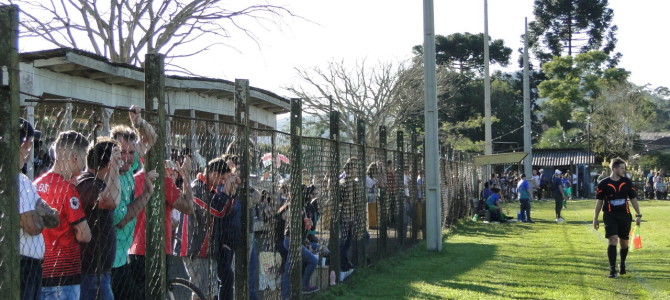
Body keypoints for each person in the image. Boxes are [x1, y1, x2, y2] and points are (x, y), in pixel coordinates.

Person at [33, 131, 92, 299]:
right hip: (65, 274)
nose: (84, 166)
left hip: (40, 270)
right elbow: (84, 235)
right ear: (74, 157)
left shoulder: (36, 184)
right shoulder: (68, 190)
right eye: (84, 158)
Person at [127, 158, 195, 298]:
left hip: (134, 248)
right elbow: (189, 207)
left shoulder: (132, 180)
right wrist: (186, 176)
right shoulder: (163, 181)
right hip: (159, 248)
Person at [110, 105, 157, 300]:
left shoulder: (129, 167)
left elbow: (152, 138)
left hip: (123, 255)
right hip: (110, 260)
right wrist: (147, 194)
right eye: (122, 152)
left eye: (131, 152)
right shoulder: (112, 178)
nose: (127, 158)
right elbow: (121, 219)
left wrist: (139, 123)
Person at [176, 156, 231, 299]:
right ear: (214, 174)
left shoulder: (210, 190)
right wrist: (226, 191)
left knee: (210, 292)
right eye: (223, 179)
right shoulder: (197, 188)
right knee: (201, 291)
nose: (223, 183)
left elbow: (223, 211)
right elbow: (217, 211)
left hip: (207, 251)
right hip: (194, 249)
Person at [18, 118, 60, 300]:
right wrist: (39, 213)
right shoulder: (15, 180)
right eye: (29, 144)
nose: (30, 151)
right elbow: (32, 227)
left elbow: (54, 218)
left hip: (32, 266)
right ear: (25, 143)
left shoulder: (24, 179)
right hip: (21, 265)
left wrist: (37, 214)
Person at [77, 138, 122, 300]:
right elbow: (110, 201)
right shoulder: (87, 182)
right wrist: (115, 168)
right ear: (109, 163)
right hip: (90, 271)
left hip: (100, 271)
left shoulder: (100, 183)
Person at [593, 157, 642, 278]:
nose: (624, 170)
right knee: (613, 239)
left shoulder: (627, 182)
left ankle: (622, 263)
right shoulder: (603, 183)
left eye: (624, 168)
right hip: (610, 216)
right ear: (614, 168)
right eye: (621, 168)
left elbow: (633, 199)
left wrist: (638, 214)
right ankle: (612, 270)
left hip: (625, 215)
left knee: (624, 243)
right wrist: (595, 218)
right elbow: (599, 202)